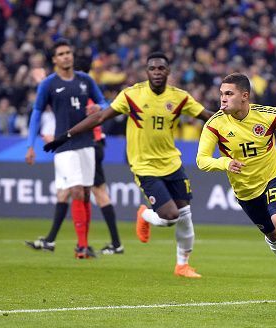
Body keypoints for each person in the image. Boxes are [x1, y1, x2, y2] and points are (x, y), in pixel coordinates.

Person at [44, 52, 214, 277]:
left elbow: (207, 117)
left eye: (160, 69)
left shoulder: (180, 97)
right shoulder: (132, 95)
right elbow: (100, 118)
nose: (156, 73)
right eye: (152, 68)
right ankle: (144, 214)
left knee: (185, 214)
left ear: (168, 71)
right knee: (170, 216)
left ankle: (182, 265)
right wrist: (66, 135)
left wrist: (236, 120)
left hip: (172, 163)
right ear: (146, 71)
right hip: (144, 166)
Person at [196, 72, 276, 304]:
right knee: (272, 234)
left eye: (229, 94)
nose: (222, 99)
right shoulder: (215, 124)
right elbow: (202, 160)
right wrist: (225, 162)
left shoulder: (269, 116)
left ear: (244, 96)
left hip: (273, 176)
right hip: (245, 190)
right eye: (221, 94)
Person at [25, 39, 109, 259]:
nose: (66, 56)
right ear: (54, 59)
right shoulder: (48, 84)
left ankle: (83, 244)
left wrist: (99, 107)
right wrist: (30, 145)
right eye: (61, 53)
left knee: (86, 192)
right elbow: (36, 113)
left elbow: (106, 104)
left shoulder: (86, 80)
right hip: (63, 144)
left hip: (86, 142)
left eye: (68, 52)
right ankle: (81, 246)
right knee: (75, 191)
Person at [25, 102, 124, 255]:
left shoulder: (81, 96)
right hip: (90, 145)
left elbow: (79, 126)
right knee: (65, 193)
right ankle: (51, 240)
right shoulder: (85, 93)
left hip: (87, 146)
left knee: (98, 194)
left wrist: (57, 138)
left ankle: (112, 244)